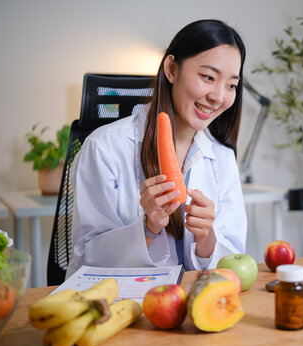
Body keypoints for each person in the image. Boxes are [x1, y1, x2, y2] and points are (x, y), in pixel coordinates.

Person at [66, 19, 247, 278]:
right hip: (119, 302)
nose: (219, 96)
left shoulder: (222, 158)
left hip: (190, 305)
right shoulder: (104, 148)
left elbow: (235, 262)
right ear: (172, 69)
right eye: (208, 77)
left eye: (231, 85)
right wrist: (148, 228)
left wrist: (207, 239)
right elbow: (87, 260)